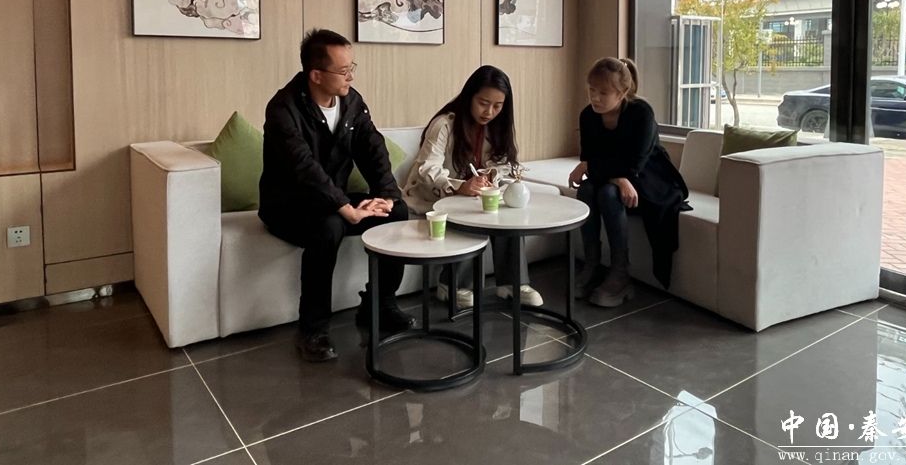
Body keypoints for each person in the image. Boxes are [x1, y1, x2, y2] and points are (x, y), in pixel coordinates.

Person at [258, 29, 415, 362]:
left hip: (332, 200)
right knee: (329, 226)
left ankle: (379, 305)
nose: (351, 77)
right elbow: (303, 168)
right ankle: (313, 329)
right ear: (316, 75)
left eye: (351, 68)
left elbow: (373, 149)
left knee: (397, 213)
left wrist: (386, 195)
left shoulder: (352, 102)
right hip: (288, 206)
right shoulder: (283, 109)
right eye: (343, 71)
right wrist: (345, 207)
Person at [402, 66, 543, 308]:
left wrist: (491, 175)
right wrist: (459, 187)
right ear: (469, 96)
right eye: (483, 103)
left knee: (507, 214)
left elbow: (504, 164)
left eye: (497, 106)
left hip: (475, 195)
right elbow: (427, 168)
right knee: (470, 213)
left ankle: (512, 284)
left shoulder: (498, 126)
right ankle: (452, 285)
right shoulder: (445, 124)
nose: (489, 112)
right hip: (435, 198)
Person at [569, 58, 689, 308]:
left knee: (608, 194)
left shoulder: (641, 113)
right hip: (614, 177)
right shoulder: (588, 115)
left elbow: (635, 164)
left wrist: (595, 167)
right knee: (587, 189)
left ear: (622, 92)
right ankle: (592, 264)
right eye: (592, 90)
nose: (595, 98)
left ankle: (620, 273)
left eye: (603, 92)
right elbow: (590, 157)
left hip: (651, 179)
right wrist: (613, 175)